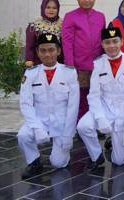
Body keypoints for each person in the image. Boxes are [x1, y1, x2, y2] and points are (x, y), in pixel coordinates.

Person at [76, 27, 124, 170]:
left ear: (122, 42)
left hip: (123, 113)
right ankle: (96, 156)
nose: (111, 46)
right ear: (102, 44)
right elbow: (93, 95)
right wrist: (100, 118)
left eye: (115, 41)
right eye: (107, 42)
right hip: (104, 107)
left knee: (119, 161)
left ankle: (113, 140)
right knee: (83, 126)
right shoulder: (98, 63)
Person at [18, 33, 79, 178]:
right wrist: (37, 128)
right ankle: (34, 162)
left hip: (61, 123)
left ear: (58, 51)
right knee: (23, 136)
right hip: (40, 120)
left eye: (51, 50)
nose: (47, 54)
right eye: (43, 50)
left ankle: (62, 153)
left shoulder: (69, 72)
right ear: (38, 52)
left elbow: (73, 106)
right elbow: (25, 103)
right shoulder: (31, 73)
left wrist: (68, 135)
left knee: (58, 163)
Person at [62, 0, 106, 121]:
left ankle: (95, 123)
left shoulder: (100, 16)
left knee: (97, 96)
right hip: (79, 66)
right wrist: (70, 65)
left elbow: (103, 41)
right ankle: (82, 127)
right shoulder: (70, 16)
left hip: (97, 65)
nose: (86, 0)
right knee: (81, 98)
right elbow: (67, 42)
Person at [25, 0, 64, 67]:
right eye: (48, 7)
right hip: (39, 65)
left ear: (58, 9)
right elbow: (30, 47)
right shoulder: (34, 26)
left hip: (59, 66)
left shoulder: (64, 25)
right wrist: (29, 60)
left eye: (54, 8)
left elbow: (66, 47)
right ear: (43, 8)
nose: (51, 10)